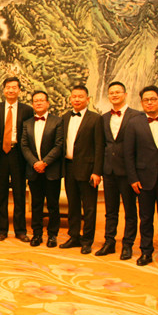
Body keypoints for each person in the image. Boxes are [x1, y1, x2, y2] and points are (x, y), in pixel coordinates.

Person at [124, 85, 158, 269]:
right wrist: (133, 178)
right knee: (146, 218)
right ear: (141, 103)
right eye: (146, 100)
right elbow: (129, 154)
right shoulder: (134, 123)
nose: (149, 103)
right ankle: (146, 251)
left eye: (153, 99)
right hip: (143, 179)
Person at [98, 81, 142, 260]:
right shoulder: (104, 118)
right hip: (109, 170)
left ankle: (127, 245)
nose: (114, 95)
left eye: (118, 92)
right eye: (111, 93)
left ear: (125, 94)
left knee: (130, 210)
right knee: (110, 210)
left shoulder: (137, 116)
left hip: (128, 171)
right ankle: (109, 242)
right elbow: (102, 145)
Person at [60, 85, 104, 254]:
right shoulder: (65, 117)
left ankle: (87, 240)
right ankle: (74, 236)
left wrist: (97, 171)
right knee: (73, 205)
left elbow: (99, 147)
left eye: (80, 96)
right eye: (74, 96)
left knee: (89, 207)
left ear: (88, 99)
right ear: (70, 99)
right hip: (69, 167)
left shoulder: (96, 119)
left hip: (88, 169)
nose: (77, 99)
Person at [0, 77, 34, 241]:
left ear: (19, 90)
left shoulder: (27, 110)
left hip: (18, 154)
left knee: (19, 193)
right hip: (1, 155)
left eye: (14, 87)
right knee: (1, 194)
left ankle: (20, 230)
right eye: (8, 87)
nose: (11, 90)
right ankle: (2, 230)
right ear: (3, 90)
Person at [21, 90, 64, 248]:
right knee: (36, 204)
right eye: (35, 101)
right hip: (34, 171)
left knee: (53, 205)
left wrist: (44, 162)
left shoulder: (57, 121)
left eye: (41, 100)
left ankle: (52, 235)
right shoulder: (27, 123)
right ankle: (37, 234)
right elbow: (24, 146)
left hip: (51, 170)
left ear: (47, 103)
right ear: (32, 104)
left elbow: (59, 145)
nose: (38, 103)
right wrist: (35, 163)